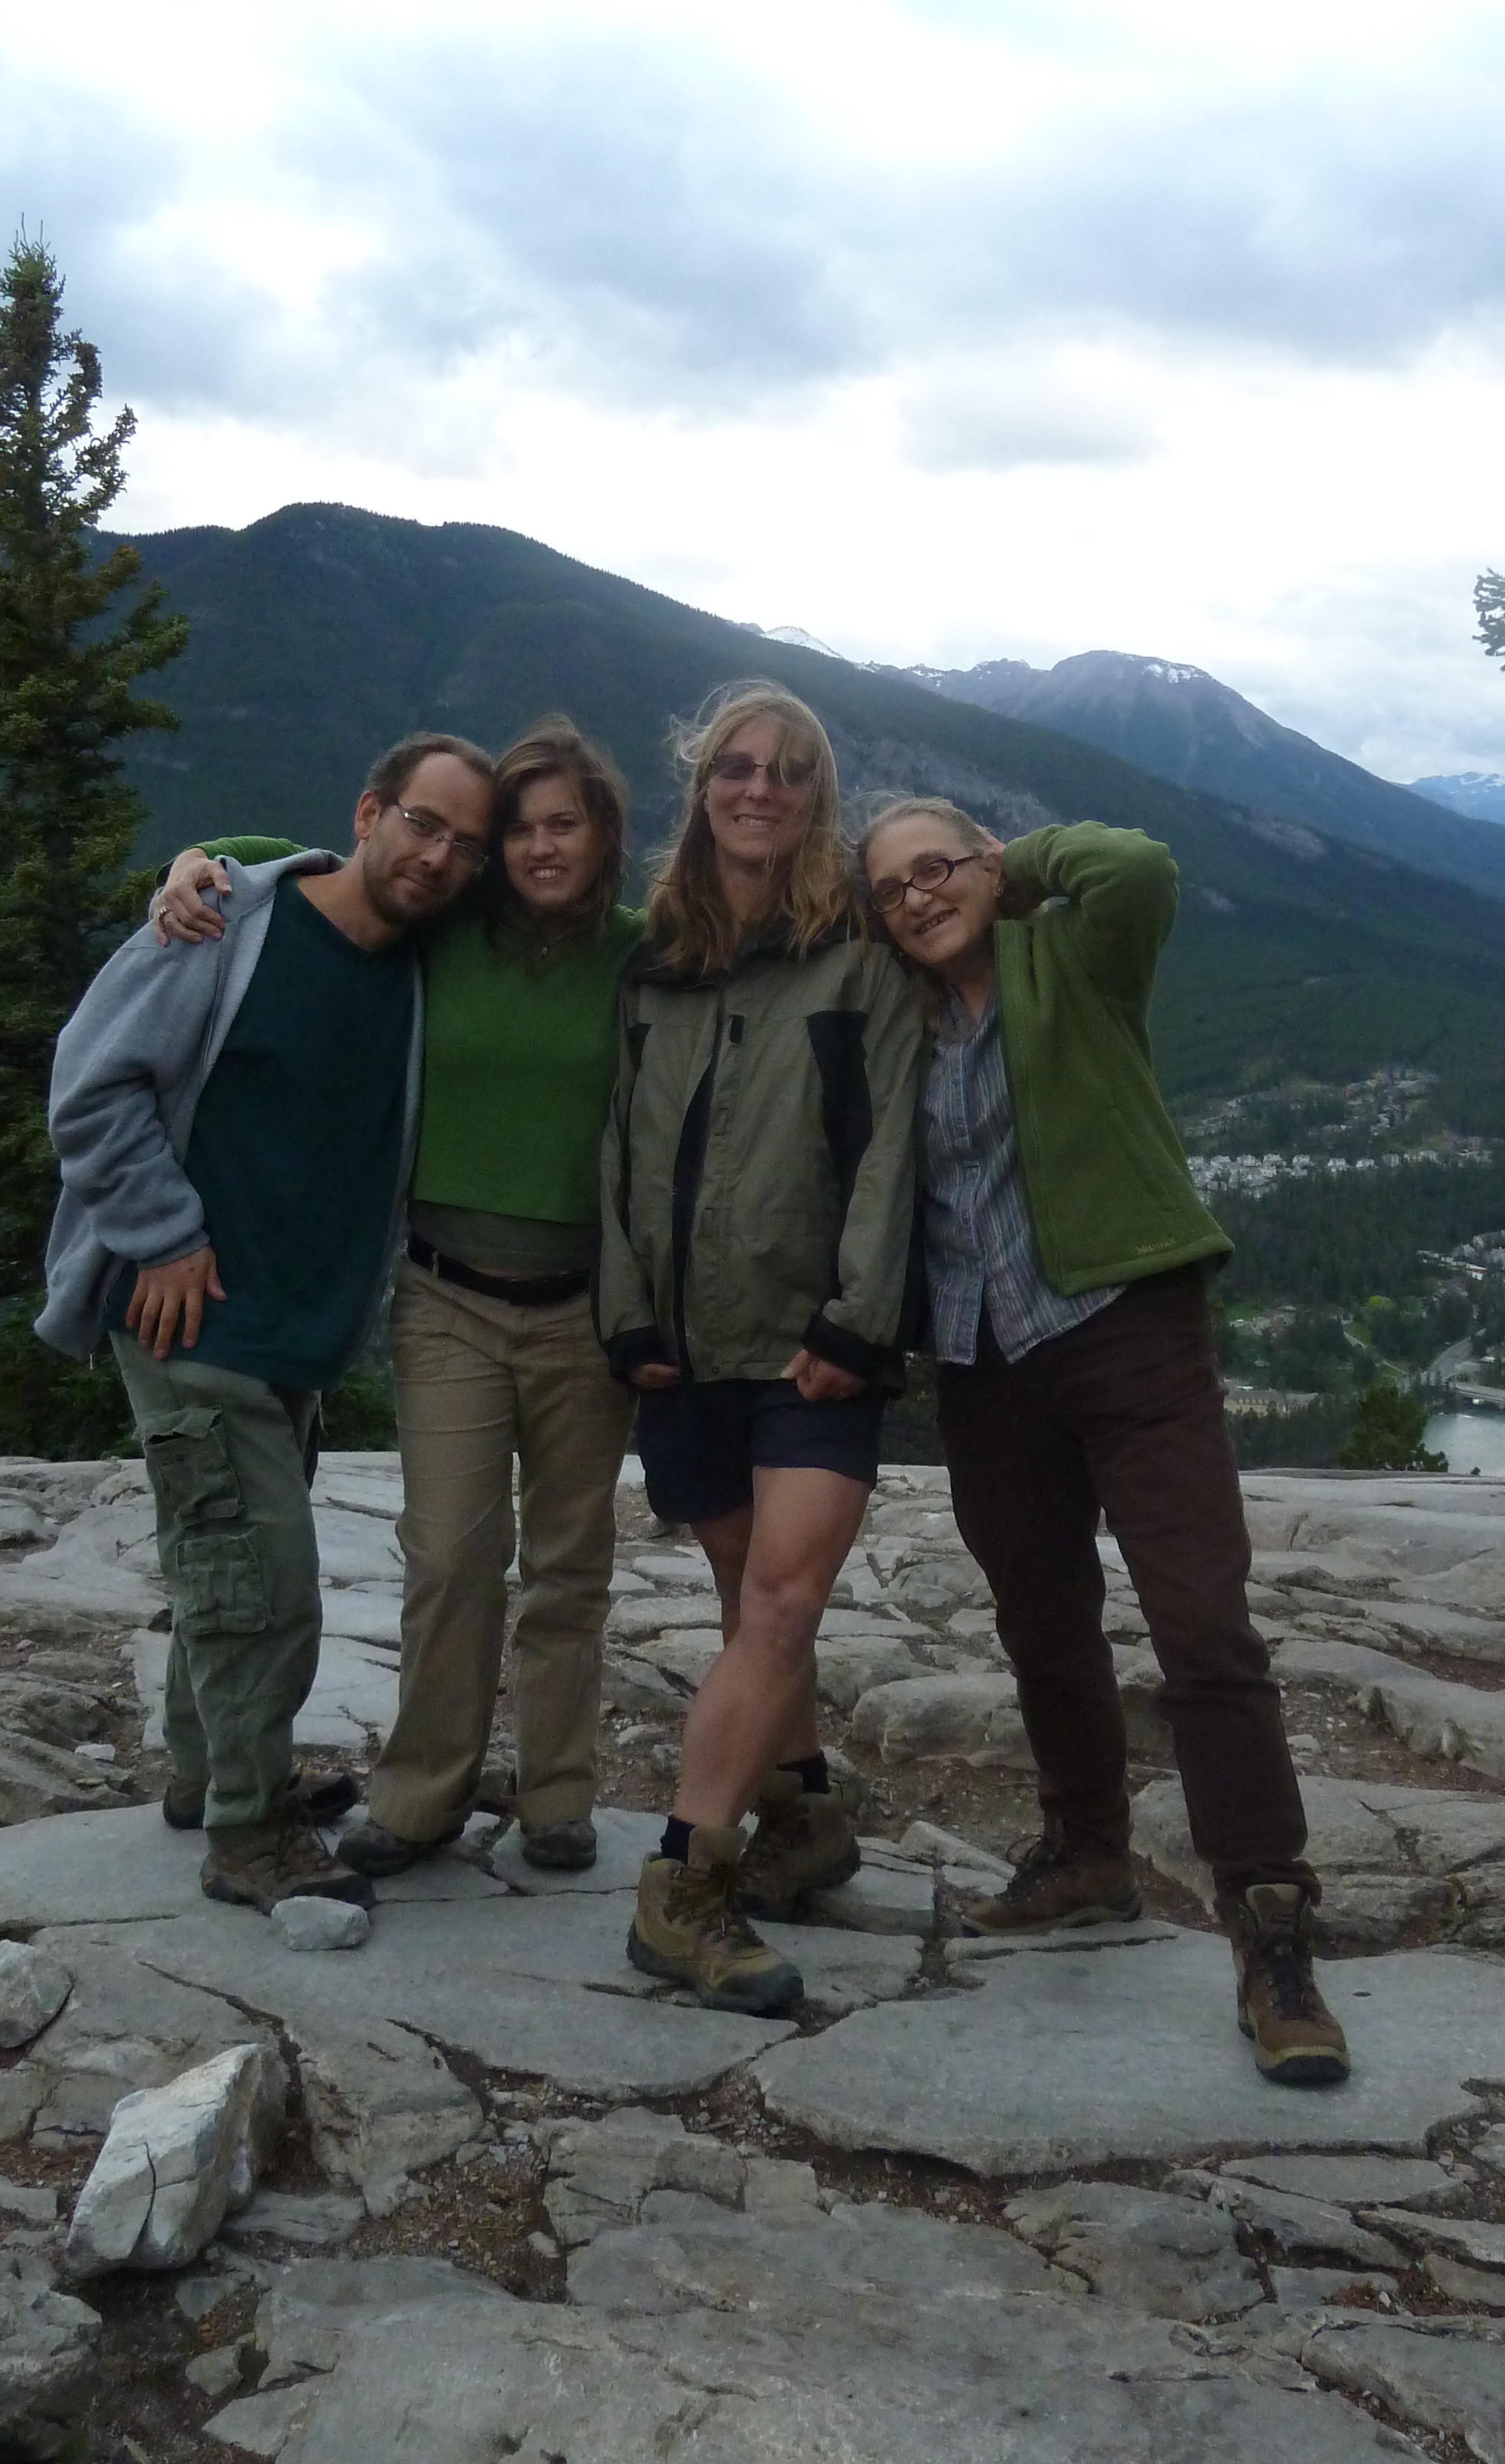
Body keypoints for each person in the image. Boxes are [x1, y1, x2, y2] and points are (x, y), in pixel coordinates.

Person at [856, 797, 1349, 2087]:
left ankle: (1270, 1925)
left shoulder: (1073, 953)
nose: (917, 899)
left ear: (987, 864)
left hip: (1127, 1325)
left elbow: (1138, 864)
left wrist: (1010, 867)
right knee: (1042, 1619)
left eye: (936, 868)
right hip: (982, 1357)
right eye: (890, 889)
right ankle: (1087, 1854)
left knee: (1201, 1620)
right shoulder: (894, 1016)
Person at [150, 721, 643, 1877]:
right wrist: (194, 860)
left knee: (570, 1565)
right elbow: (310, 869)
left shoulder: (642, 952)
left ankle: (559, 1792)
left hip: (587, 1306)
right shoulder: (446, 929)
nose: (539, 847)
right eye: (516, 830)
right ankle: (423, 1793)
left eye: (564, 824)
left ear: (604, 837)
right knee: (451, 1557)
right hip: (449, 1297)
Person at [36, 733, 494, 1913]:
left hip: (297, 1326)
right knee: (265, 1585)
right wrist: (163, 1234)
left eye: (466, 845)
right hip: (190, 1314)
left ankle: (209, 1775)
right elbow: (89, 1082)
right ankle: (248, 1835)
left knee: (223, 1560)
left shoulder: (421, 964)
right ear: (370, 812)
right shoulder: (225, 924)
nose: (438, 857)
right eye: (423, 823)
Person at [599, 683, 924, 2015]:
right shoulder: (653, 964)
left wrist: (858, 1322)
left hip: (814, 1346)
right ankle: (807, 1815)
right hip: (683, 1344)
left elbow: (893, 1150)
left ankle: (684, 1883)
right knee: (752, 1603)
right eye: (736, 766)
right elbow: (614, 1147)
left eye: (788, 773)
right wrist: (625, 1313)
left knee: (783, 1603)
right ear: (702, 786)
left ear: (816, 800)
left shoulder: (857, 962)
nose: (759, 789)